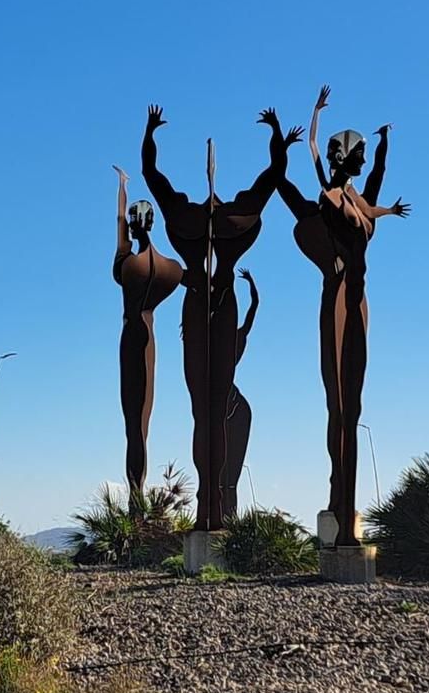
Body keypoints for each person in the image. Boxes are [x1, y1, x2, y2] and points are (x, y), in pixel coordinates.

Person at [140, 103, 298, 532]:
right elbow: (153, 175)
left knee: (211, 408)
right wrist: (150, 132)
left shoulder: (195, 214)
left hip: (211, 304)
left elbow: (272, 174)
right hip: (209, 304)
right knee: (202, 410)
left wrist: (277, 134)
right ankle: (208, 504)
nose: (211, 196)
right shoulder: (223, 214)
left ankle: (215, 506)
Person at [272, 86, 408, 548]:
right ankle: (339, 503)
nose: (367, 161)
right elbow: (311, 157)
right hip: (336, 299)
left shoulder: (359, 201)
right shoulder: (330, 197)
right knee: (339, 405)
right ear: (344, 156)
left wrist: (387, 142)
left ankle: (345, 508)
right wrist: (313, 116)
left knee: (356, 405)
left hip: (360, 302)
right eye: (362, 154)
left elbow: (376, 194)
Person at [111, 167, 184, 506]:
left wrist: (122, 189)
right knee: (144, 421)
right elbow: (199, 283)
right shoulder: (172, 268)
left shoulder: (130, 264)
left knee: (132, 425)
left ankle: (135, 500)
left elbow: (119, 227)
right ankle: (137, 498)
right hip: (151, 342)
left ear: (134, 223)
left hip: (130, 338)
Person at [221, 270, 260, 519]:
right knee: (219, 473)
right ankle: (223, 516)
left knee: (230, 475)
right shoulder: (214, 340)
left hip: (235, 408)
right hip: (223, 404)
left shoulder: (235, 338)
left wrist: (252, 286)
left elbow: (253, 308)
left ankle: (229, 519)